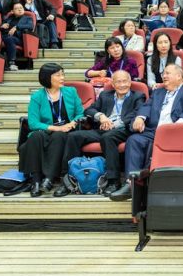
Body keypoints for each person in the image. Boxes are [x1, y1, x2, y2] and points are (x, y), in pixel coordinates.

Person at [56, 70, 146, 198]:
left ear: (130, 82)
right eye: (118, 82)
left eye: (125, 81)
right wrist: (101, 117)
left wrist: (114, 124)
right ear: (113, 84)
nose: (122, 85)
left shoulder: (138, 96)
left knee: (108, 137)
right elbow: (90, 109)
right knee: (74, 136)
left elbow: (136, 113)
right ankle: (67, 179)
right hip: (103, 128)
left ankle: (113, 181)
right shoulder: (105, 95)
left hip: (124, 129)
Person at [20, 63, 85, 197]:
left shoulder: (70, 91)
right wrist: (56, 127)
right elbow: (33, 123)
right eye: (58, 75)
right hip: (45, 130)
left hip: (66, 131)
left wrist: (72, 123)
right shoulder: (37, 96)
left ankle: (49, 178)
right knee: (34, 137)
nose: (62, 78)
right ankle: (36, 181)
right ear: (47, 78)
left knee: (59, 136)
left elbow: (80, 113)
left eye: (63, 74)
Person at [124, 64, 183, 174]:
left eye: (167, 73)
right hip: (154, 131)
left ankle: (149, 177)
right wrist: (140, 118)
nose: (164, 76)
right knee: (134, 140)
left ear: (179, 76)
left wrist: (181, 122)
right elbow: (147, 106)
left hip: (177, 132)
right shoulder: (158, 92)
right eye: (163, 74)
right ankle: (131, 180)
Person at [0, 2, 34, 71]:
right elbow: (0, 27)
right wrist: (2, 26)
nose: (20, 10)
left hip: (19, 39)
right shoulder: (9, 18)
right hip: (5, 37)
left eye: (21, 8)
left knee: (9, 39)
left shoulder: (27, 18)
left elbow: (30, 26)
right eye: (17, 9)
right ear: (12, 11)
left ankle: (12, 62)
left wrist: (17, 27)